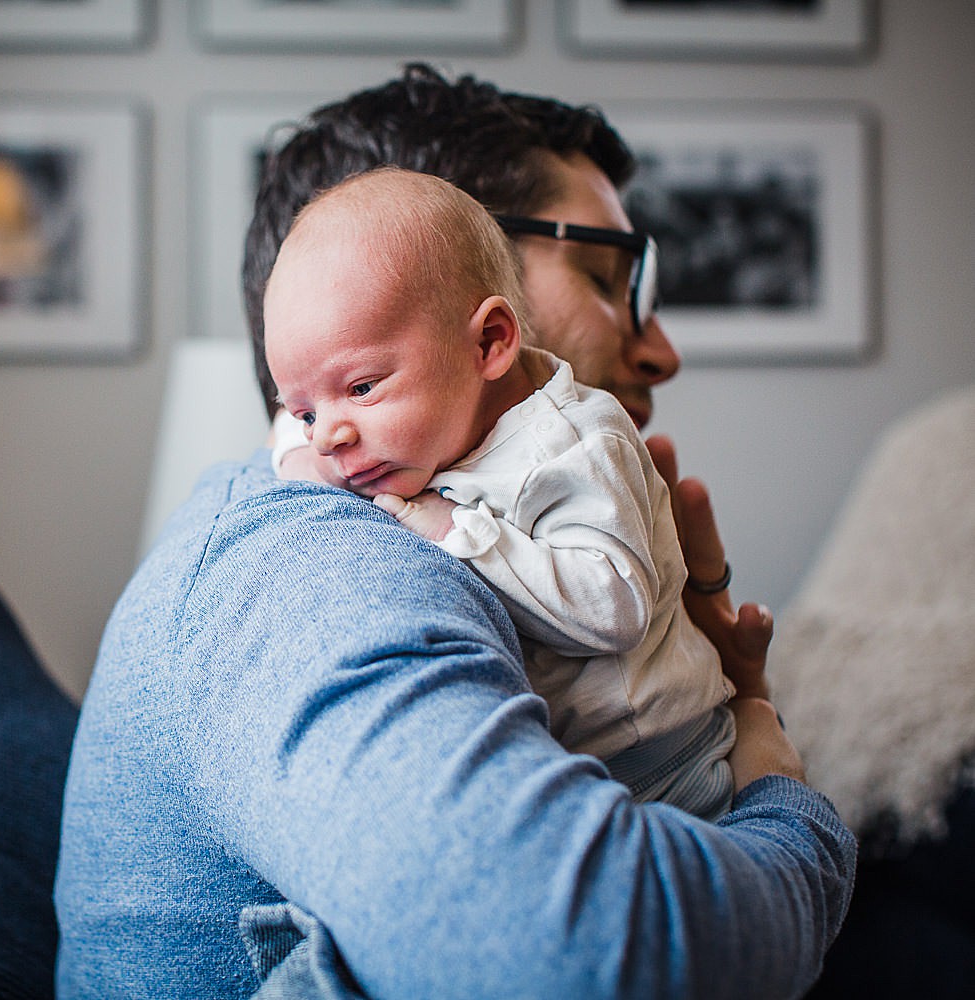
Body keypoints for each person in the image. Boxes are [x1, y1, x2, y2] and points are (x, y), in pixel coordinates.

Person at [53, 66, 853, 998]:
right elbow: (593, 952)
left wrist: (709, 693)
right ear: (481, 320)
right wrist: (784, 804)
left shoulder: (381, 524)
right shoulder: (318, 564)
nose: (660, 348)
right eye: (604, 275)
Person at [264, 166, 737, 820]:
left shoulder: (571, 444)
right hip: (577, 771)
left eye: (363, 387)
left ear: (490, 342)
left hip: (668, 768)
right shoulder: (412, 432)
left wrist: (457, 532)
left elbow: (615, 607)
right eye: (308, 410)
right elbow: (296, 424)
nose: (328, 439)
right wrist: (301, 438)